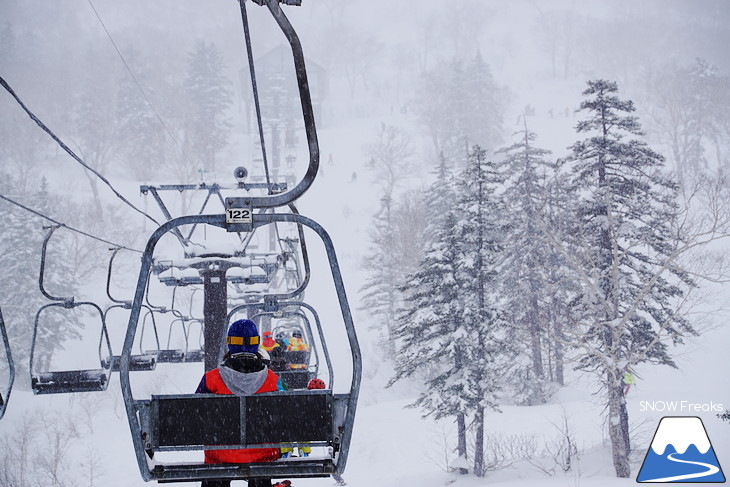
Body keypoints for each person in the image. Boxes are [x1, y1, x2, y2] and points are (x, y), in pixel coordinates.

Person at [195, 319, 289, 487]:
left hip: (220, 456)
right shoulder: (272, 381)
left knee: (215, 473)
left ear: (230, 343)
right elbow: (284, 417)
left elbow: (195, 415)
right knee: (261, 467)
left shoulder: (211, 379)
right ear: (256, 343)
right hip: (262, 456)